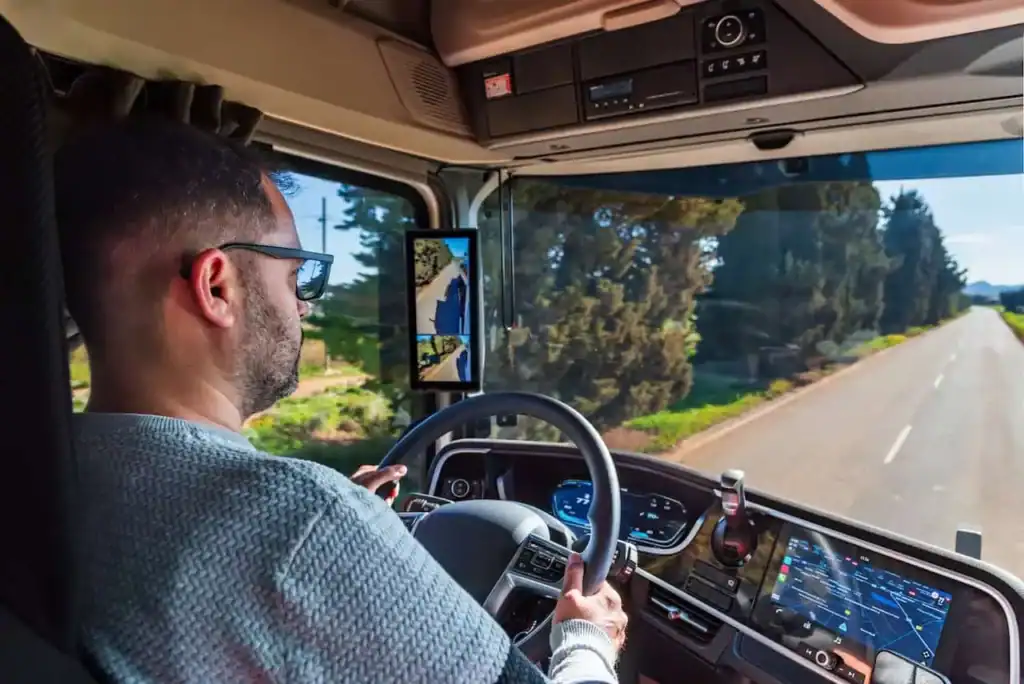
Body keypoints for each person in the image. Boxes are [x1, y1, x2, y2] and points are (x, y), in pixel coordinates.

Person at [55, 117, 628, 683]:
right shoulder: (301, 521)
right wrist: (587, 640)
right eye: (297, 278)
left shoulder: (44, 474)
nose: (304, 307)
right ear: (216, 287)